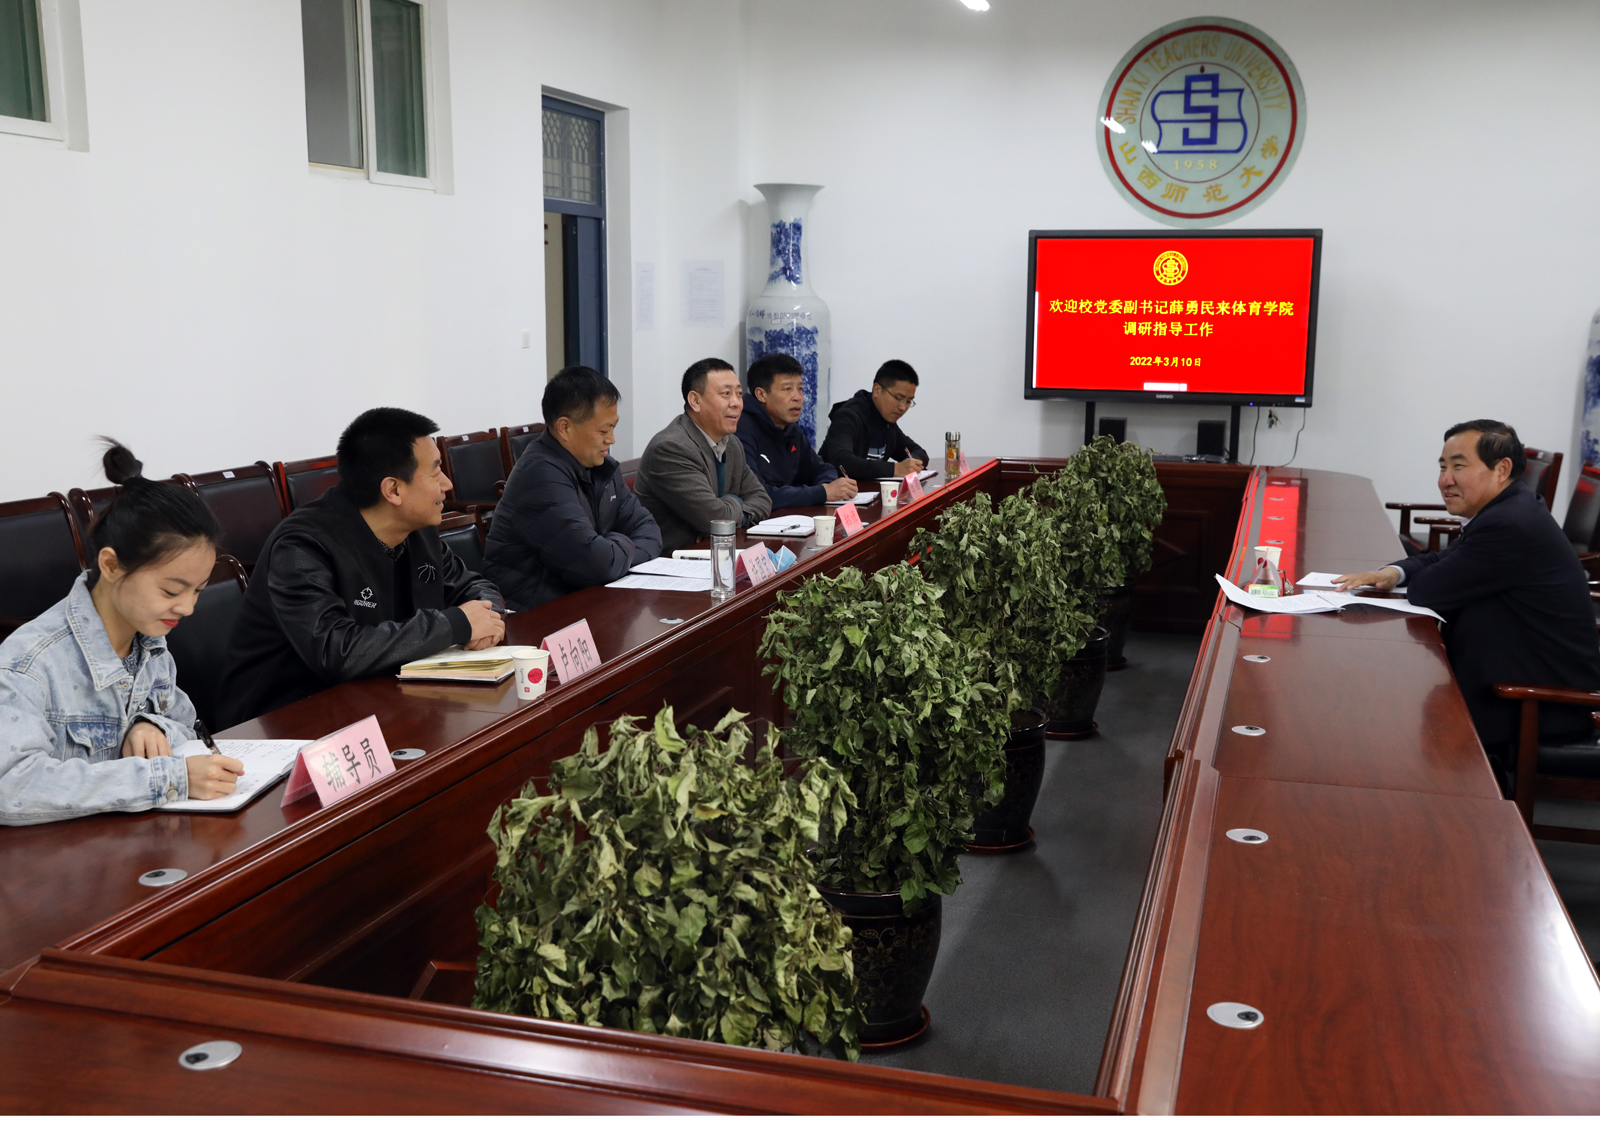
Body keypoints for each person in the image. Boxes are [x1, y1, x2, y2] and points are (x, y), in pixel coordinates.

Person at [0, 441, 245, 825]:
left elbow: (186, 726)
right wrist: (166, 779)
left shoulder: (149, 642)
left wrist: (151, 724)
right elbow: (11, 785)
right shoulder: (28, 664)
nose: (187, 608)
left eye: (198, 590)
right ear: (112, 566)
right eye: (171, 591)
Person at [1337, 420, 1600, 766]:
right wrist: (1392, 572)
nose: (1445, 480)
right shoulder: (1510, 508)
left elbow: (1428, 590)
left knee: (1380, 731)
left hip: (1537, 707)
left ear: (1501, 469)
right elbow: (1444, 559)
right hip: (1509, 681)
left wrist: (1419, 576)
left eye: (1458, 466)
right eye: (1442, 467)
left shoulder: (1509, 524)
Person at [219, 408, 506, 725]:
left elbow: (473, 586)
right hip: (283, 722)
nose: (447, 484)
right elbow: (336, 651)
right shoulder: (301, 546)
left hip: (379, 699)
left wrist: (488, 619)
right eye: (435, 471)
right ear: (393, 490)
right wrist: (455, 625)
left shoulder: (416, 528)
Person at [483, 366, 662, 610]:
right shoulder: (540, 474)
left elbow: (649, 531)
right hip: (534, 616)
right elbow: (596, 565)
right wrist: (618, 545)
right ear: (565, 428)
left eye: (613, 427)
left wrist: (611, 549)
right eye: (603, 430)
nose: (611, 439)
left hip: (586, 602)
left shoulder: (602, 467)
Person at [634, 357, 772, 554]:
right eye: (726, 394)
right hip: (672, 561)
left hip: (712, 552)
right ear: (695, 401)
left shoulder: (732, 443)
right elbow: (714, 519)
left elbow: (762, 499)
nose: (736, 403)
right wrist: (733, 505)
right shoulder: (671, 448)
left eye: (739, 394)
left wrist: (725, 515)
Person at [737, 353, 859, 510]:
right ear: (761, 394)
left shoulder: (791, 429)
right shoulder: (741, 430)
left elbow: (821, 468)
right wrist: (822, 493)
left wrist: (828, 486)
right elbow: (758, 495)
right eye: (787, 389)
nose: (798, 397)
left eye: (800, 389)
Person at [819, 359, 930, 483]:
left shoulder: (887, 421)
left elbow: (919, 452)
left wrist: (912, 463)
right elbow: (842, 462)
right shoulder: (848, 416)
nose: (903, 407)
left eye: (908, 401)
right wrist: (895, 469)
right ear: (877, 390)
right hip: (831, 491)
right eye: (898, 398)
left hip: (866, 492)